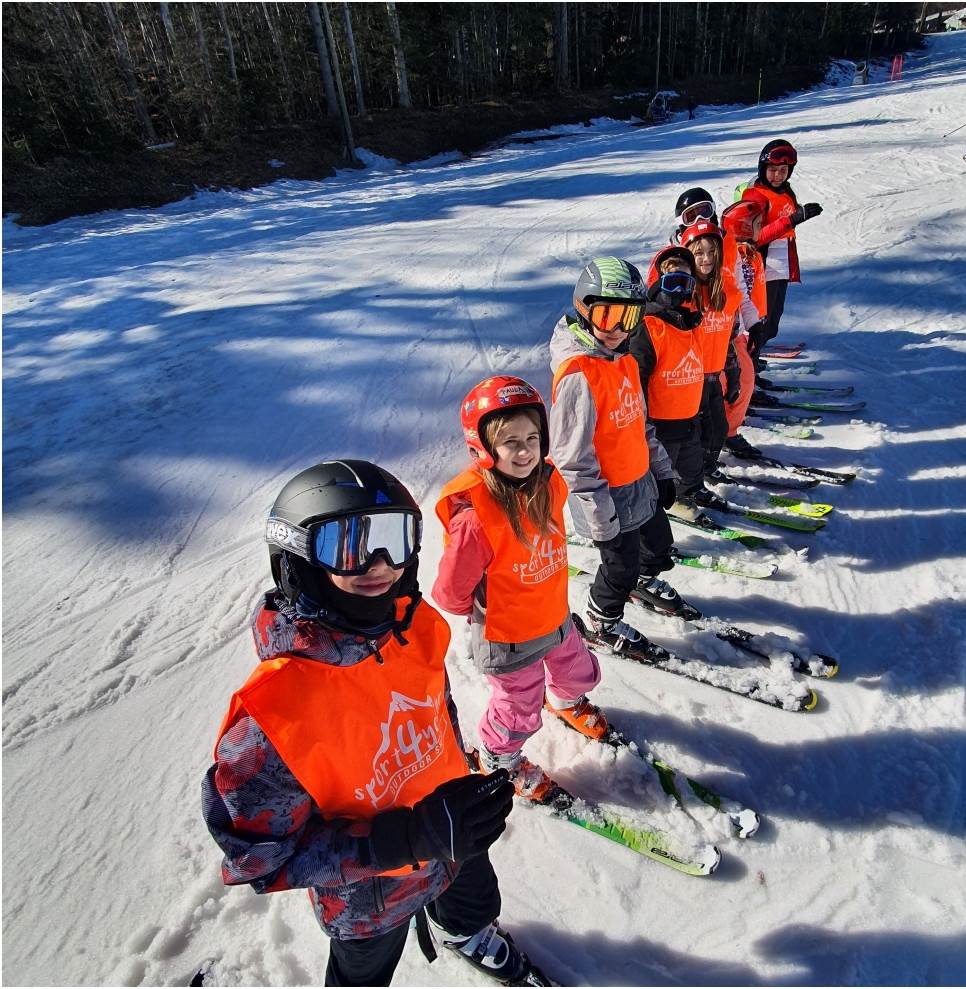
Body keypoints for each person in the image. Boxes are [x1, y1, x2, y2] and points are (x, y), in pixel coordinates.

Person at [201, 460, 550, 987]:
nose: (379, 563)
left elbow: (438, 716)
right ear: (297, 561)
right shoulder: (272, 716)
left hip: (456, 838)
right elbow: (259, 859)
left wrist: (461, 786)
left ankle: (466, 933)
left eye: (394, 537)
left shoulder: (418, 629)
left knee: (475, 901)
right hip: (369, 894)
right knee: (363, 971)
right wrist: (402, 841)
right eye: (348, 545)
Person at [432, 376, 607, 803]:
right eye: (510, 442)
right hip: (509, 637)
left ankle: (564, 704)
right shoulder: (475, 519)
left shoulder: (548, 483)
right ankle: (497, 758)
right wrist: (482, 607)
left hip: (554, 616)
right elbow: (450, 591)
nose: (525, 450)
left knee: (579, 672)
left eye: (532, 437)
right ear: (484, 447)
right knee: (518, 710)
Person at [548, 256, 693, 659]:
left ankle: (640, 582)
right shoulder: (579, 374)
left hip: (640, 483)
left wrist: (662, 472)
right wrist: (601, 519)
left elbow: (640, 424)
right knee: (618, 567)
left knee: (660, 548)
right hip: (607, 499)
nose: (617, 329)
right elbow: (572, 459)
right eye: (608, 315)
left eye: (629, 318)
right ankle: (601, 617)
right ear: (583, 309)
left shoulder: (624, 358)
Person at [628, 246, 707, 503]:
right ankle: (653, 508)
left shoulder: (688, 322)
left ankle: (689, 492)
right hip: (660, 425)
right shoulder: (648, 326)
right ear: (656, 283)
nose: (679, 292)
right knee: (660, 474)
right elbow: (638, 378)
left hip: (689, 419)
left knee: (692, 467)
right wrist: (641, 423)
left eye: (685, 284)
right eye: (672, 283)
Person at [738, 140, 823, 359]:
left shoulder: (785, 191)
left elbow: (785, 224)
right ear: (763, 168)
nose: (778, 176)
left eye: (783, 171)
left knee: (773, 321)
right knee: (759, 321)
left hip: (781, 262)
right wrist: (792, 220)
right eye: (773, 170)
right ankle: (749, 367)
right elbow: (753, 238)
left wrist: (797, 218)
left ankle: (754, 358)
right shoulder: (754, 195)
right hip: (762, 264)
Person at [679, 219, 742, 464]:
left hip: (715, 376)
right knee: (697, 435)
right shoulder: (684, 295)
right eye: (699, 253)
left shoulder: (725, 292)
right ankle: (692, 480)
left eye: (712, 252)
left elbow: (728, 338)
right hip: (689, 380)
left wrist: (733, 371)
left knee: (718, 430)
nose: (706, 259)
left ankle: (708, 467)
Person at [718, 199, 771, 457]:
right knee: (715, 389)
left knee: (746, 380)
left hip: (733, 332)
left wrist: (754, 323)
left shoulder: (734, 252)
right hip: (710, 337)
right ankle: (705, 447)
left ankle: (729, 432)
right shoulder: (692, 251)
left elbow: (742, 294)